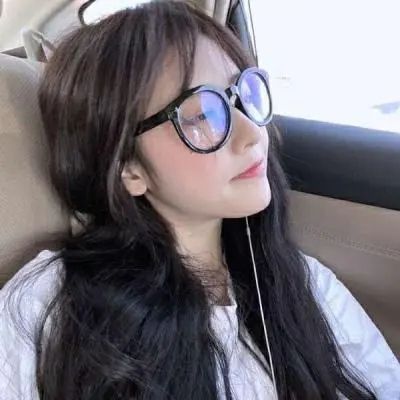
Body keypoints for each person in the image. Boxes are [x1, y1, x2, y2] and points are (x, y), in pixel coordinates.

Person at [0, 2, 399, 399]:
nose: (251, 133)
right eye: (202, 114)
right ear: (128, 168)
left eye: (244, 93)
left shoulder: (302, 284)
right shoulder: (52, 305)